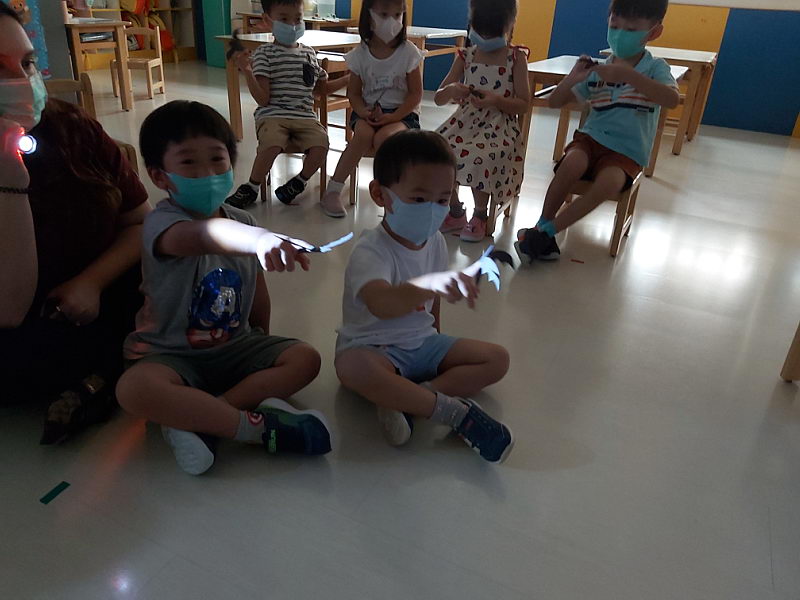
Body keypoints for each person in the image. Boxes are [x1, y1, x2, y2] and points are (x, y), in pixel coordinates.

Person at [117, 101, 333, 476]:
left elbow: (257, 291)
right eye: (189, 163)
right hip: (169, 355)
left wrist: (261, 339)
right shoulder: (161, 224)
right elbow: (203, 236)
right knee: (133, 389)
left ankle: (199, 418)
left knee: (306, 359)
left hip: (234, 346)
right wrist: (259, 239)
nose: (207, 173)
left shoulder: (243, 221)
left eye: (218, 160)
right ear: (159, 176)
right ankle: (249, 427)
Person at [0, 1, 150, 444]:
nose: (21, 82)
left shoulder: (69, 126)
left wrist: (91, 282)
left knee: (194, 252)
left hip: (101, 295)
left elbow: (140, 221)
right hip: (19, 325)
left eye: (27, 63)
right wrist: (10, 182)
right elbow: (9, 309)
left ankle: (101, 378)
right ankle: (105, 377)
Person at [334, 130, 513, 463]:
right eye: (419, 199)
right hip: (374, 347)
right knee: (352, 367)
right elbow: (382, 304)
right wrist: (431, 284)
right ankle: (452, 413)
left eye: (443, 200)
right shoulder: (371, 250)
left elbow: (434, 306)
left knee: (497, 359)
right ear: (381, 194)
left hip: (422, 343)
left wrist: (437, 338)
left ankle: (412, 399)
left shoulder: (436, 242)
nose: (432, 210)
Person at [516, 0, 679, 262]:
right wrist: (573, 77)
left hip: (627, 152)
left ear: (654, 32)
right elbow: (555, 102)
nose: (620, 34)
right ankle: (542, 223)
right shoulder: (598, 69)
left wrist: (630, 76)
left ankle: (547, 232)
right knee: (571, 164)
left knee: (609, 183)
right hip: (589, 140)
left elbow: (671, 99)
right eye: (615, 26)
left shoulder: (655, 68)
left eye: (631, 29)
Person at [226, 0, 348, 209]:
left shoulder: (309, 53)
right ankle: (252, 187)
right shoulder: (265, 53)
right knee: (272, 143)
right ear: (267, 20)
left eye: (298, 18)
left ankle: (298, 182)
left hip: (305, 117)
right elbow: (263, 99)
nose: (292, 25)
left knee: (321, 145)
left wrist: (348, 79)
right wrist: (247, 71)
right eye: (283, 19)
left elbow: (321, 89)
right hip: (273, 115)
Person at [435, 0, 530, 242]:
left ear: (509, 25)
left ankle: (480, 214)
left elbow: (524, 104)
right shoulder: (466, 55)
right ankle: (455, 210)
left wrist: (496, 100)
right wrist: (452, 90)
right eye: (481, 30)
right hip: (465, 123)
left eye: (492, 32)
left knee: (481, 155)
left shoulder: (516, 58)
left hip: (500, 126)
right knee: (437, 149)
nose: (485, 37)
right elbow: (438, 97)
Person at [320, 0, 423, 218]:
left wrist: (393, 117)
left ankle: (393, 195)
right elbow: (354, 94)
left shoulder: (408, 52)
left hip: (402, 115)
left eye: (397, 15)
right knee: (363, 135)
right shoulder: (360, 54)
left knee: (386, 138)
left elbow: (415, 94)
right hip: (367, 113)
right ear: (369, 16)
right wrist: (362, 111)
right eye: (384, 15)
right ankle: (333, 190)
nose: (392, 21)